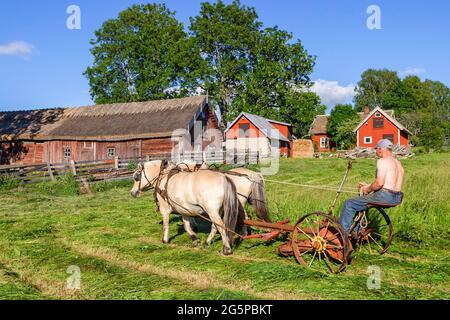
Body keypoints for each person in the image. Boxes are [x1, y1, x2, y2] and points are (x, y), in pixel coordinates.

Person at [339, 139, 404, 234]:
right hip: (397, 197)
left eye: (376, 149)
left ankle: (342, 235)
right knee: (362, 203)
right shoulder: (398, 163)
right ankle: (357, 230)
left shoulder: (382, 161)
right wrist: (369, 185)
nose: (376, 152)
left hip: (385, 196)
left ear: (381, 149)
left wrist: (367, 189)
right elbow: (388, 184)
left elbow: (379, 183)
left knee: (349, 203)